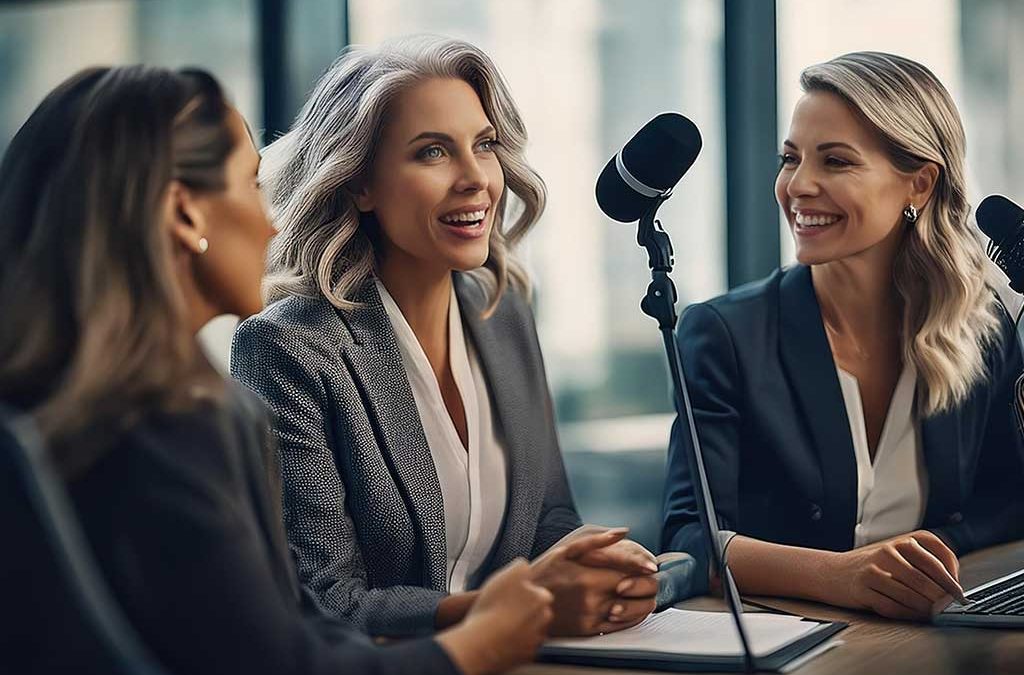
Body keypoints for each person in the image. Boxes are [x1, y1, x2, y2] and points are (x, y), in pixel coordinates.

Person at [0, 64, 561, 675]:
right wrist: (475, 643)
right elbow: (290, 656)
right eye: (249, 185)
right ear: (185, 216)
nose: (272, 222)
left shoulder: (150, 417)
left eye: (483, 145)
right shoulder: (169, 434)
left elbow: (296, 630)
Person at [231, 35, 659, 638]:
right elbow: (324, 601)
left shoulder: (502, 309)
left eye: (483, 145)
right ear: (360, 184)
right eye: (433, 152)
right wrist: (515, 609)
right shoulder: (286, 348)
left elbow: (549, 518)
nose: (476, 180)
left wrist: (598, 568)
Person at [661, 51, 1024, 621]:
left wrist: (923, 561)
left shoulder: (981, 328)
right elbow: (690, 536)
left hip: (922, 635)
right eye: (790, 159)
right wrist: (840, 576)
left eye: (835, 161)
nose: (798, 185)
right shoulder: (725, 334)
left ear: (919, 185)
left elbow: (1009, 499)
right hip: (791, 641)